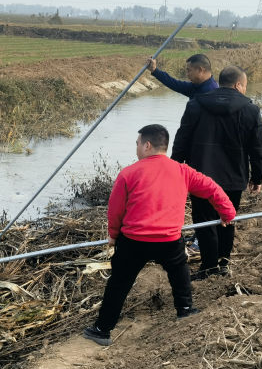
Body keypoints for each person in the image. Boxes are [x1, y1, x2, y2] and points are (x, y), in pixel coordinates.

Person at [82, 124, 235, 347]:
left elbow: (115, 210)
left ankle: (102, 330)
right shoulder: (183, 171)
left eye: (137, 144)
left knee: (119, 283)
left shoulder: (128, 173)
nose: (136, 148)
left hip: (134, 241)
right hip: (169, 239)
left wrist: (113, 235)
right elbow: (212, 188)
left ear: (147, 145)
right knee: (179, 272)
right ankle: (185, 309)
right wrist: (227, 213)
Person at [171, 66, 262, 279]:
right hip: (234, 177)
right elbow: (258, 148)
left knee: (204, 222)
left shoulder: (196, 105)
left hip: (200, 177)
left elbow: (181, 140)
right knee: (227, 217)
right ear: (238, 85)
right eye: (245, 86)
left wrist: (174, 170)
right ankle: (223, 264)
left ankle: (208, 267)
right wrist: (257, 177)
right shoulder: (251, 110)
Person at [146, 53, 218, 99]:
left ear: (200, 70)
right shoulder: (197, 86)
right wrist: (154, 70)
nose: (187, 74)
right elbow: (174, 84)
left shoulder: (211, 93)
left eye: (189, 70)